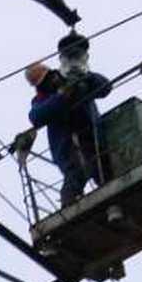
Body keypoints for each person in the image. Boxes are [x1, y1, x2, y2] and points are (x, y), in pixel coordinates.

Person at [21, 50, 114, 208]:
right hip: (68, 147)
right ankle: (69, 207)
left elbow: (105, 87)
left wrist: (87, 76)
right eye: (44, 81)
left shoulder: (77, 83)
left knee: (107, 173)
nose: (51, 81)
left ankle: (115, 207)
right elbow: (36, 117)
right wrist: (62, 97)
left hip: (94, 139)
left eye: (50, 76)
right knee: (76, 174)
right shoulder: (41, 99)